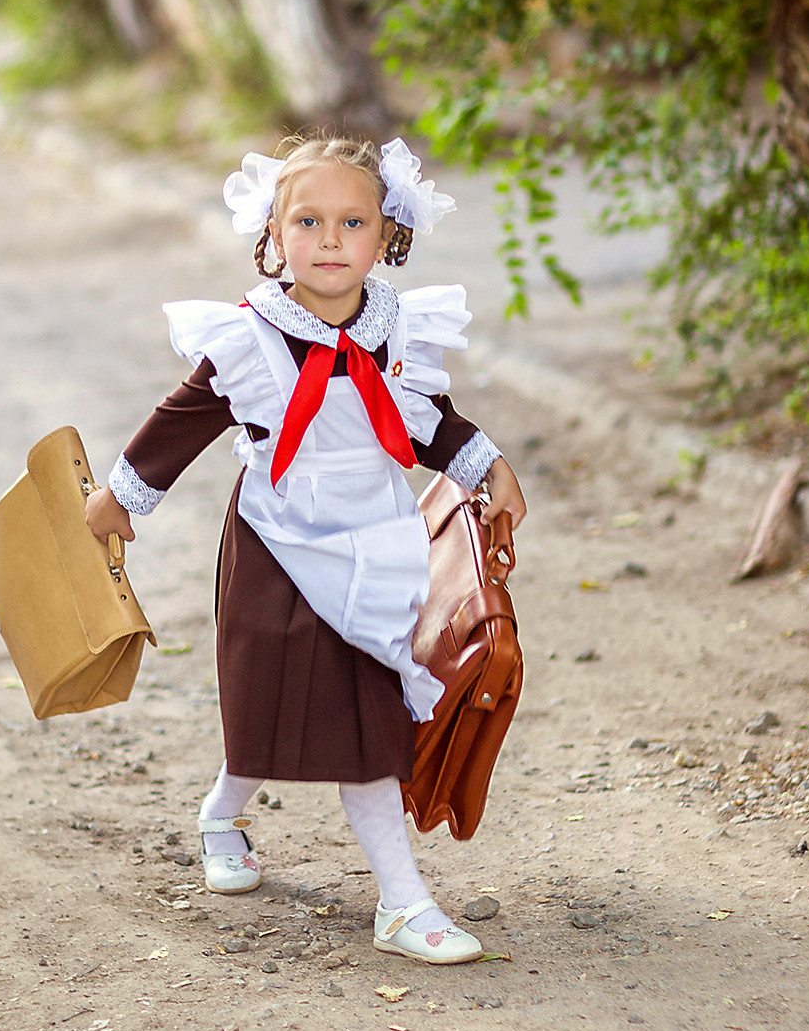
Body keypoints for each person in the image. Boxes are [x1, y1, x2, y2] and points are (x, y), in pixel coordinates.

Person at [84, 134, 526, 965]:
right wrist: (118, 498)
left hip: (372, 539)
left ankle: (378, 893)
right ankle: (267, 834)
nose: (329, 240)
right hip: (277, 545)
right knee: (277, 703)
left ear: (387, 235)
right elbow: (182, 421)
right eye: (308, 221)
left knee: (363, 711)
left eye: (352, 221)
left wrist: (489, 467)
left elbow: (433, 423)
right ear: (273, 236)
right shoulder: (251, 339)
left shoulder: (397, 329)